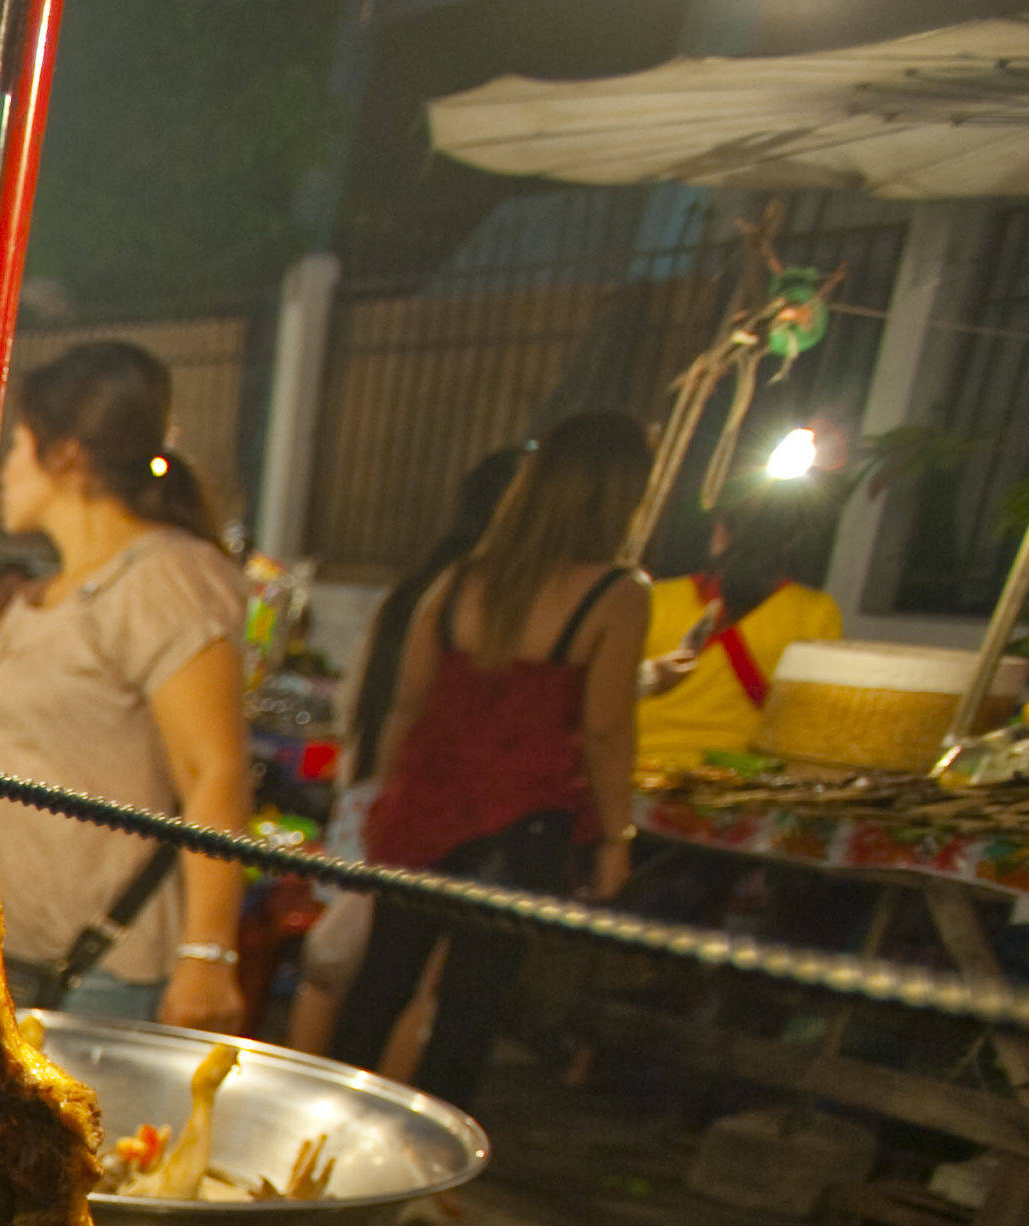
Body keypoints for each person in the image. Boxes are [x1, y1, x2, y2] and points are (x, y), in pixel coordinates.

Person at [341, 409, 653, 1111]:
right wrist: (615, 837)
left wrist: (388, 797)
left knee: (381, 982)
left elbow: (406, 706)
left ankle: (321, 1134)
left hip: (422, 806)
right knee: (473, 1001)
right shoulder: (617, 594)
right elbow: (607, 730)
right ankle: (437, 1173)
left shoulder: (461, 582)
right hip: (523, 821)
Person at [0, 339, 256, 1026]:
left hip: (103, 973)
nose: (4, 469)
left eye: (17, 446)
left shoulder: (163, 578)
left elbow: (215, 769)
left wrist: (209, 956)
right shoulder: (44, 595)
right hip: (8, 959)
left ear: (64, 454)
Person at [293, 445, 524, 1062]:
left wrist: (365, 782)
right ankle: (384, 1123)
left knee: (334, 960)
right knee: (416, 978)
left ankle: (300, 1085)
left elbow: (359, 695)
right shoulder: (491, 596)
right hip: (427, 803)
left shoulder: (415, 585)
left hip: (368, 790)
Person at [642, 487, 840, 769]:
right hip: (743, 777)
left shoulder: (655, 598)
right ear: (791, 539)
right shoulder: (816, 610)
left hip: (643, 768)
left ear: (719, 531)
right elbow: (813, 717)